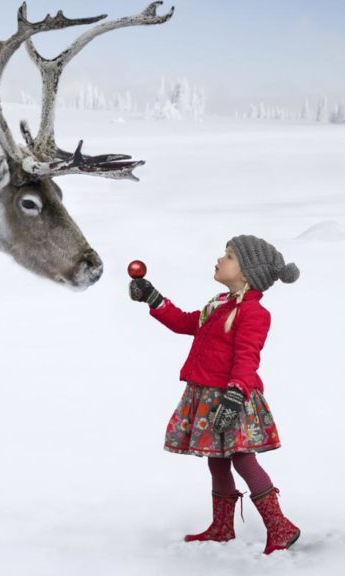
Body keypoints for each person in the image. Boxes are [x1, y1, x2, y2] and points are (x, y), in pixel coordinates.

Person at [129, 235, 301, 554]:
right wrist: (153, 298)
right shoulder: (219, 304)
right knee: (216, 461)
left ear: (247, 273)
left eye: (230, 256)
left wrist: (234, 397)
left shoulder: (254, 313)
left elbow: (247, 357)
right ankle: (222, 527)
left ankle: (281, 526)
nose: (221, 259)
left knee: (241, 458)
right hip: (206, 395)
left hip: (231, 396)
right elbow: (185, 323)